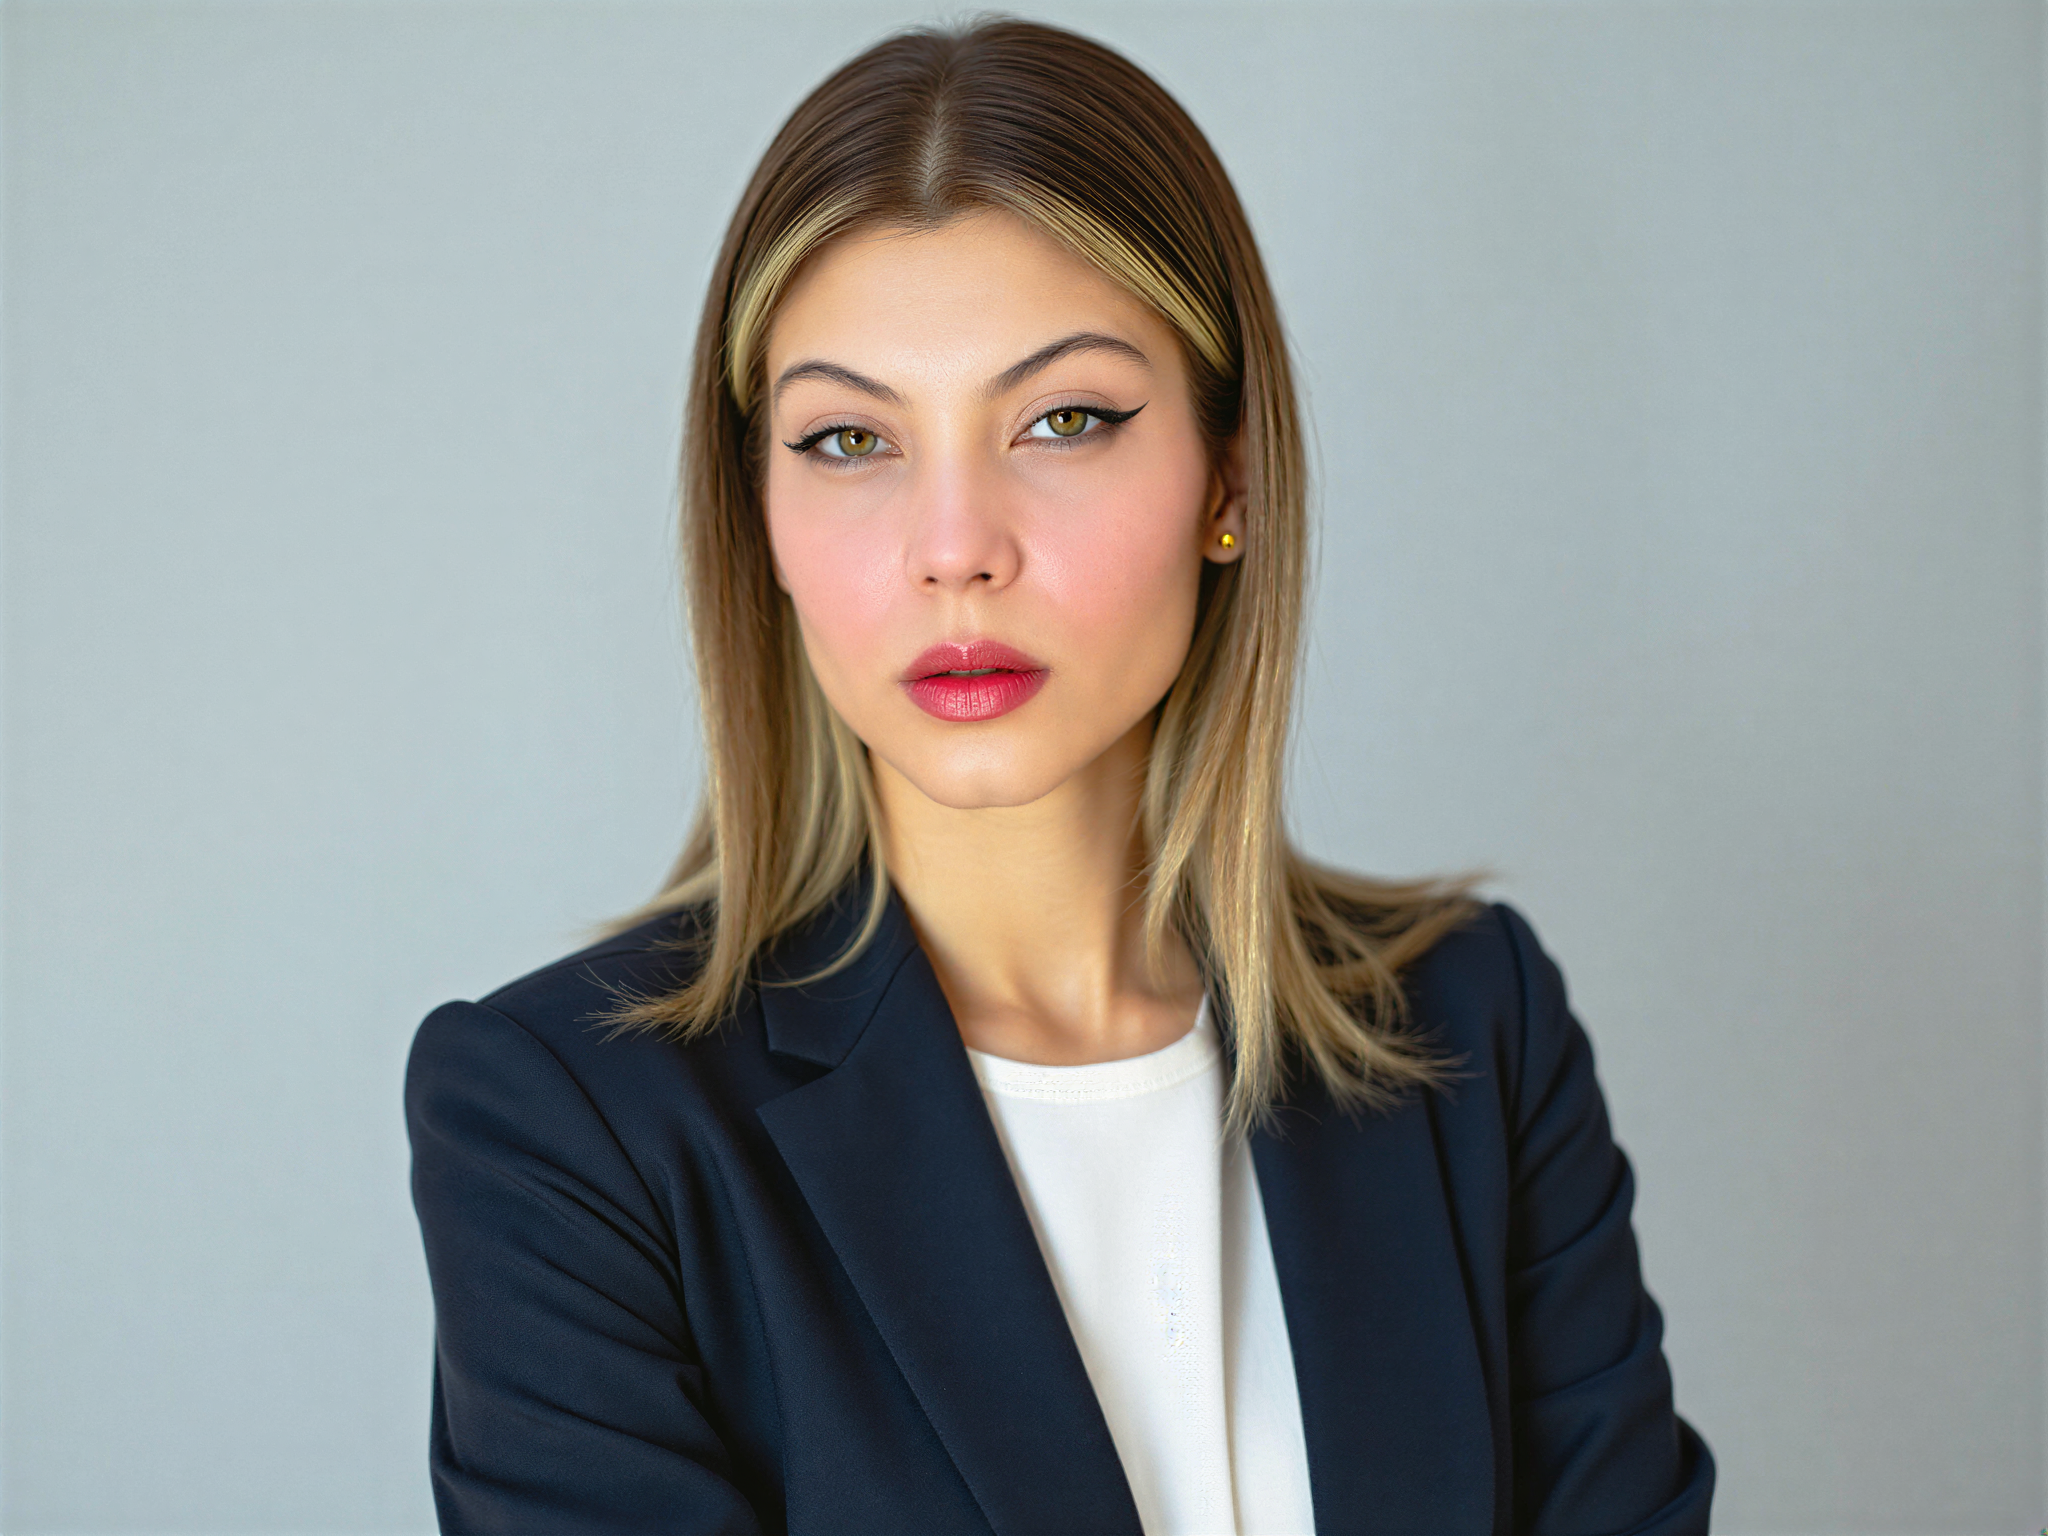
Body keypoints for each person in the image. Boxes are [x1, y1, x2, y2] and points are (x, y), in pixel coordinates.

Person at [405, 18, 1715, 1534]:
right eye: (849, 441)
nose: (955, 546)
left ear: (1228, 478)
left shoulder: (1475, 1031)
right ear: (758, 519)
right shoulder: (571, 1125)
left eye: (1063, 420)